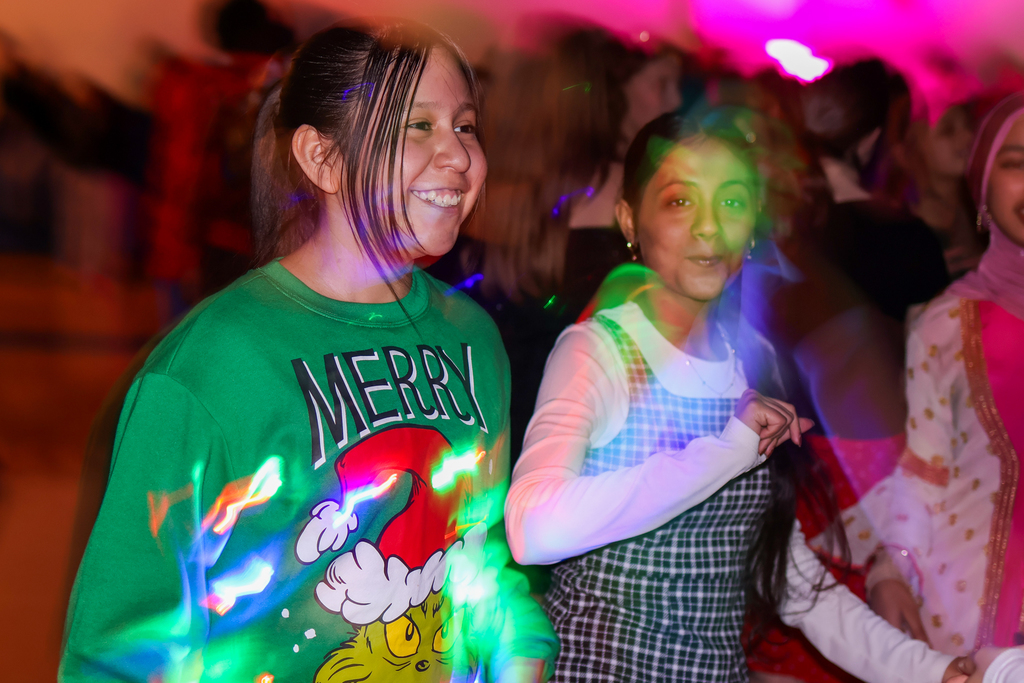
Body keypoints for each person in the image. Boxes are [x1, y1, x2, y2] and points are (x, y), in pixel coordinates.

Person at [59, 23, 557, 683]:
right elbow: (117, 650)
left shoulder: (472, 339)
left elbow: (479, 555)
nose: (459, 158)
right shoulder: (212, 366)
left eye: (465, 127)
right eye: (416, 127)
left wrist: (519, 647)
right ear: (322, 158)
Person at [504, 109, 972, 682]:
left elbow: (791, 580)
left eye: (730, 201)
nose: (708, 226)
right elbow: (533, 530)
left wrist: (932, 672)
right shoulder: (600, 351)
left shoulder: (754, 357)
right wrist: (729, 449)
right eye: (679, 201)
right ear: (630, 219)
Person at [430, 24, 682, 467]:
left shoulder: (469, 190)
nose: (676, 100)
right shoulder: (632, 195)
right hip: (592, 440)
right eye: (662, 83)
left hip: (479, 435)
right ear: (611, 95)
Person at [868, 92, 1024, 656]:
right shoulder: (947, 323)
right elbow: (925, 469)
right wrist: (893, 569)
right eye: (1017, 164)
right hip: (969, 613)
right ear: (982, 185)